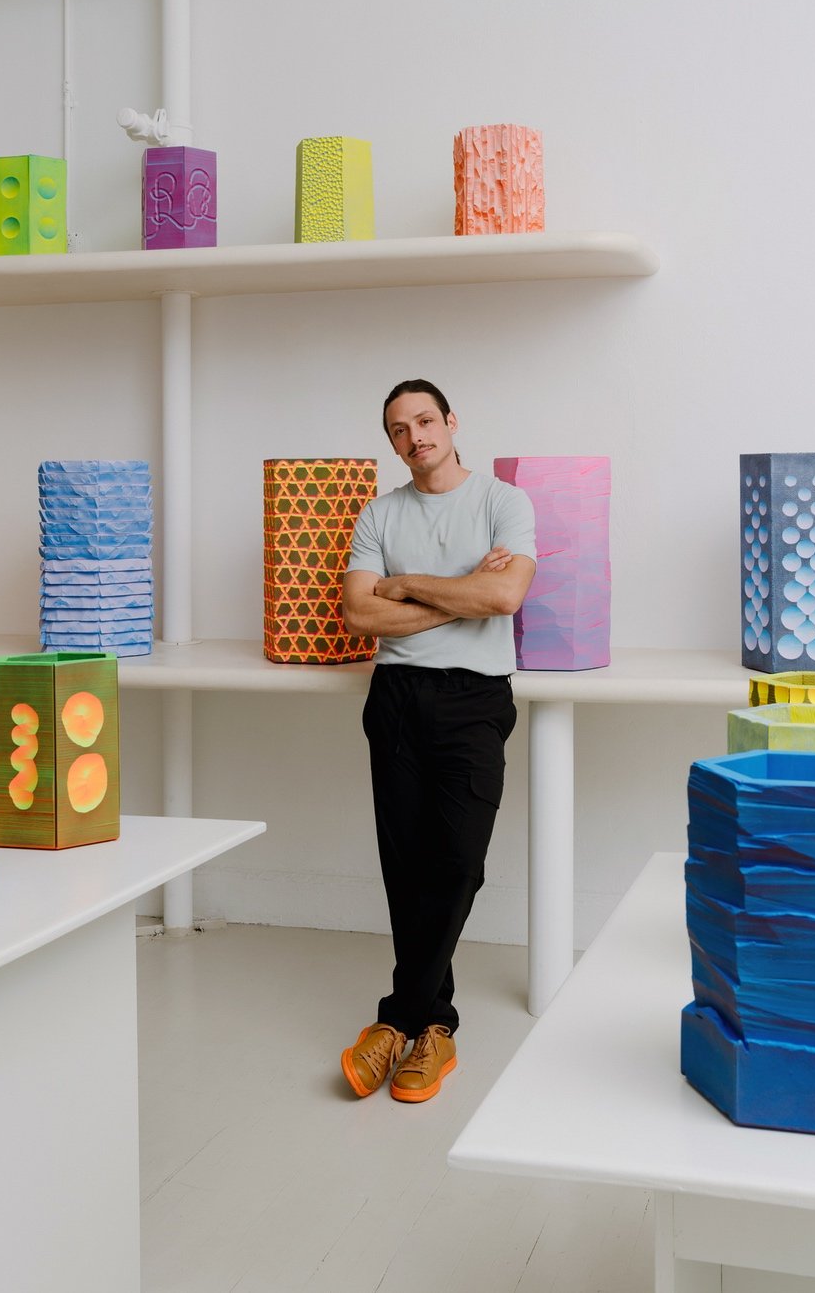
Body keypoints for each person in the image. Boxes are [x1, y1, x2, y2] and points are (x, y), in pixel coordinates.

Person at [339, 379, 536, 1103]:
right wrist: (459, 596)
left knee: (457, 863)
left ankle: (401, 1020)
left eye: (425, 420)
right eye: (399, 429)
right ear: (391, 442)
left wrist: (409, 587)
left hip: (474, 701)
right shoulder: (379, 513)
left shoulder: (501, 502)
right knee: (406, 868)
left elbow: (504, 598)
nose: (415, 435)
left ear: (451, 422)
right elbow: (359, 617)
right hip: (395, 701)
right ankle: (434, 1033)